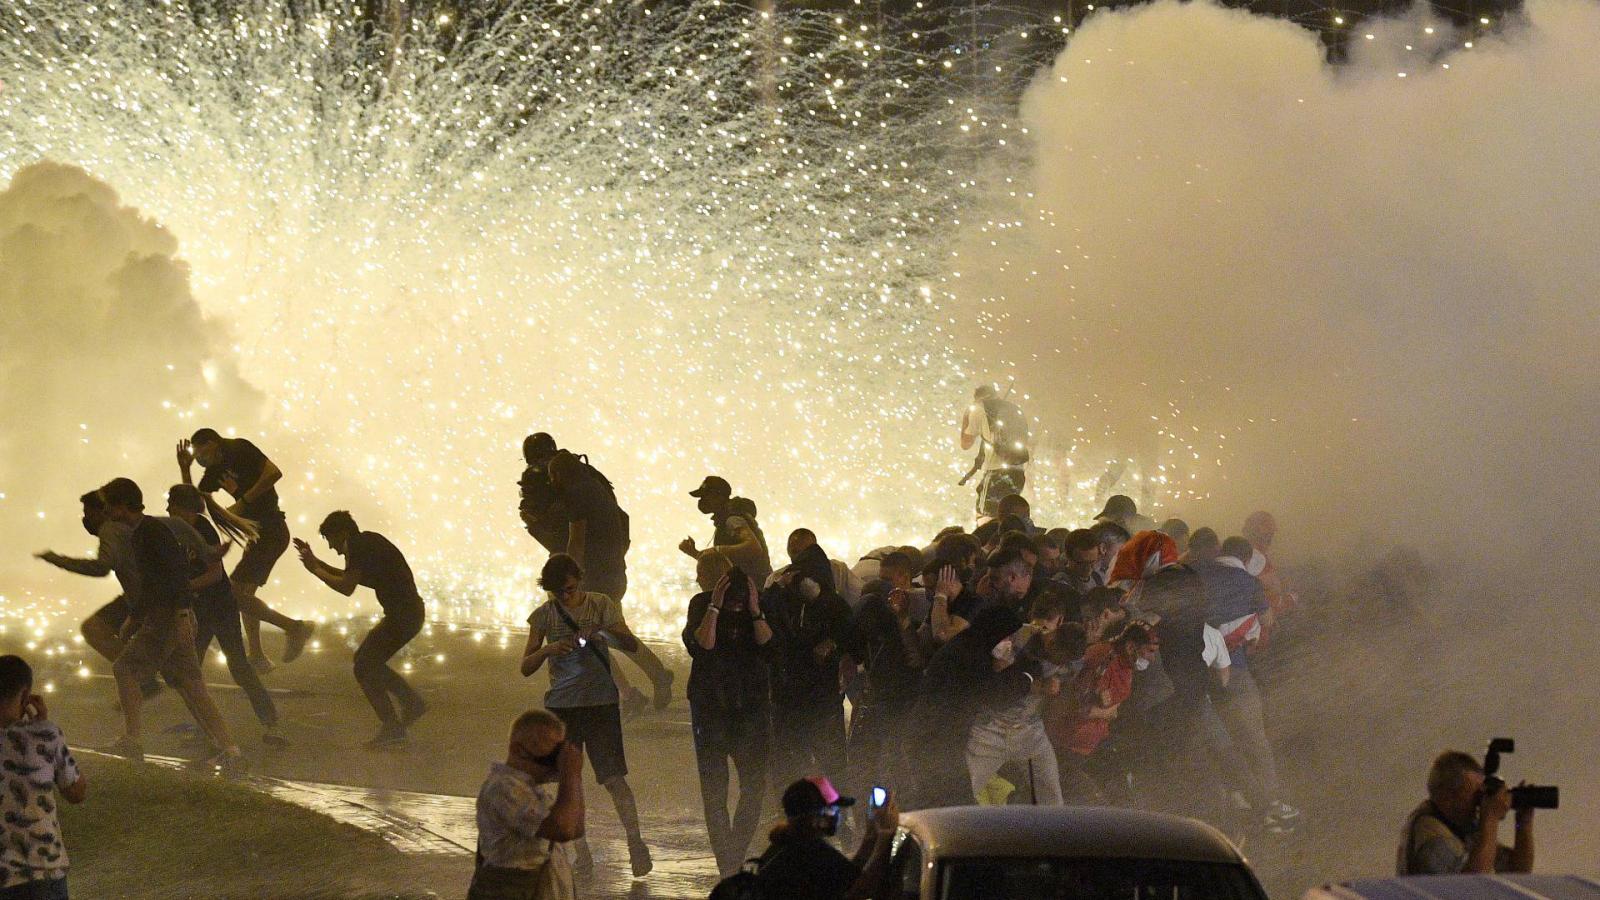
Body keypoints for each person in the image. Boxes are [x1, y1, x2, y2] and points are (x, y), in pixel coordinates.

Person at [520, 554, 652, 877]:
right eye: (557, 592)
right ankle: (582, 853)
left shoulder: (601, 605)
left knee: (613, 778)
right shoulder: (543, 616)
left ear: (579, 581)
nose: (565, 597)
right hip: (563, 707)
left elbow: (630, 643)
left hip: (600, 704)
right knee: (569, 783)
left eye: (569, 589)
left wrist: (601, 633)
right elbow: (525, 666)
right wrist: (550, 649)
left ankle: (635, 844)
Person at [98, 478, 242, 767]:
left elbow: (175, 574)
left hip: (168, 618)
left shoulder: (150, 532)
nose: (108, 513)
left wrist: (181, 615)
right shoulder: (143, 532)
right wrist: (135, 617)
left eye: (110, 506)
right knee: (193, 684)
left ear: (122, 505)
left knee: (124, 668)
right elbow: (152, 583)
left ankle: (132, 741)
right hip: (171, 616)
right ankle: (232, 751)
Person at [547, 450, 673, 714]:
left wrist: (567, 580)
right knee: (607, 636)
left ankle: (638, 688)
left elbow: (577, 540)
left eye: (552, 476)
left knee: (600, 638)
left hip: (597, 578)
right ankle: (648, 681)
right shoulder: (595, 488)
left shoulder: (575, 494)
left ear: (559, 474)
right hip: (613, 573)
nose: (551, 484)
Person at [179, 429, 315, 672]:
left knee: (235, 594)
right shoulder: (213, 472)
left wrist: (244, 503)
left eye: (202, 451)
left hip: (271, 530)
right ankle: (257, 655)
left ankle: (295, 628)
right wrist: (186, 470)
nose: (200, 457)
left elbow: (274, 473)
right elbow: (194, 504)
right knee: (243, 594)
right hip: (256, 535)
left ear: (213, 443)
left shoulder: (239, 449)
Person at [294, 512, 427, 748]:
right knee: (367, 663)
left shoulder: (358, 545)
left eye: (331, 541)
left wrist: (316, 570)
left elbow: (346, 587)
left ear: (343, 533)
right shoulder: (367, 543)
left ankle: (395, 724)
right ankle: (409, 704)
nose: (334, 549)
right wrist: (316, 563)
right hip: (408, 613)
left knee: (364, 665)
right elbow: (349, 576)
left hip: (403, 616)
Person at [165, 485, 284, 747]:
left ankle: (270, 723)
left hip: (219, 608)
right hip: (202, 609)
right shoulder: (179, 530)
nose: (167, 511)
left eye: (172, 507)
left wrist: (181, 587)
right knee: (189, 670)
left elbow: (215, 575)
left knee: (238, 667)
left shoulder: (202, 530)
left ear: (186, 510)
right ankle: (209, 729)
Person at [682, 554, 775, 877]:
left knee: (754, 787)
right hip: (711, 708)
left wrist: (754, 609)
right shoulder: (701, 605)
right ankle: (727, 863)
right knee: (715, 790)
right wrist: (715, 606)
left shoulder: (756, 606)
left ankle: (734, 851)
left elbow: (769, 646)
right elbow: (702, 644)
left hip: (750, 709)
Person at [1197, 536, 1297, 828]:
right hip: (1235, 670)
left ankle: (1230, 798)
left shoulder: (1196, 572)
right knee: (1253, 736)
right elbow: (1266, 621)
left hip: (1197, 673)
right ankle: (1271, 801)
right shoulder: (1248, 581)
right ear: (1245, 558)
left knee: (1217, 740)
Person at [35, 491, 161, 697]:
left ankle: (142, 677)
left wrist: (60, 560)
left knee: (94, 628)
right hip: (146, 596)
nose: (86, 520)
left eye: (89, 513)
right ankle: (142, 679)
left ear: (103, 511)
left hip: (143, 599)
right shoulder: (130, 526)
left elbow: (102, 567)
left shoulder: (110, 529)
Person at [764, 530, 853, 792]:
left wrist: (834, 643)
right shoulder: (782, 589)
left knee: (829, 762)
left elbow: (849, 627)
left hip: (817, 696)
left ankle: (835, 815)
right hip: (790, 692)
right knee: (790, 763)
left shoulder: (830, 601)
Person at [964, 586, 1068, 806]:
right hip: (991, 730)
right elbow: (997, 685)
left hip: (1029, 733)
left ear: (1060, 622)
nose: (1042, 630)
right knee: (962, 789)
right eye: (1039, 622)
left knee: (1051, 797)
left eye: (1048, 624)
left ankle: (1054, 837)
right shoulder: (1014, 637)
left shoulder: (1064, 646)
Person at [469, 709, 585, 900]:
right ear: (517, 749)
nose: (556, 757)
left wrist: (573, 775)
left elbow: (575, 828)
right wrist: (570, 774)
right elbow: (562, 830)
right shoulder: (504, 787)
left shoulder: (532, 790)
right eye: (549, 748)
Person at [0, 656, 87, 900]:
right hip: (43, 874)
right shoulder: (45, 735)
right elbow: (77, 793)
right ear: (26, 695)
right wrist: (41, 724)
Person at [1046, 622, 1158, 803]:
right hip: (1070, 745)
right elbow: (1075, 706)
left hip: (1092, 744)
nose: (1152, 658)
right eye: (1149, 651)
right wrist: (1106, 712)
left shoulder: (1126, 665)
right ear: (1131, 647)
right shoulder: (1103, 660)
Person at [747, 776, 899, 900]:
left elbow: (846, 875)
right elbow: (862, 891)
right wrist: (886, 836)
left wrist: (871, 834)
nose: (838, 815)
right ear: (816, 817)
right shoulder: (809, 851)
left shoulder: (788, 844)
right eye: (833, 810)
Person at [1398, 751, 1534, 875]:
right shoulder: (1428, 830)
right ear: (1447, 798)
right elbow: (1470, 886)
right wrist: (1491, 819)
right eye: (1475, 794)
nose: (1480, 801)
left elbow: (1516, 871)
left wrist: (1523, 824)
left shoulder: (1463, 825)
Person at [680, 476, 773, 588]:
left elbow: (754, 547)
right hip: (749, 589)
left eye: (704, 496)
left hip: (753, 591)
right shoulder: (726, 520)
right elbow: (722, 562)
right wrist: (695, 553)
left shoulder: (732, 520)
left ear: (718, 497)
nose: (701, 501)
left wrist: (717, 550)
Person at [959, 384, 1029, 519]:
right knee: (1009, 518)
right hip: (1018, 472)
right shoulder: (1015, 409)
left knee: (985, 517)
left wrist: (967, 416)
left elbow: (965, 444)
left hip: (995, 472)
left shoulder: (979, 409)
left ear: (977, 399)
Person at [516, 433, 568, 555]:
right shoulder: (570, 466)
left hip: (566, 537)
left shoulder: (535, 472)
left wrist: (532, 522)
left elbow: (531, 507)